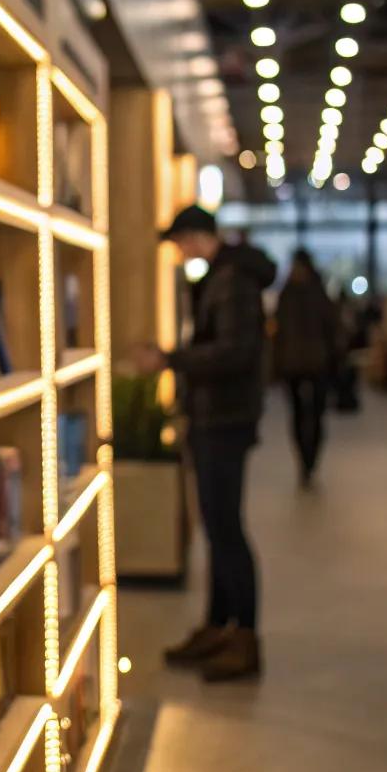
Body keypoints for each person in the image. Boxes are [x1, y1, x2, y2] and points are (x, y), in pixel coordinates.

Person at [135, 205, 275, 682]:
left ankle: (245, 636)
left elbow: (235, 353)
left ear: (196, 237)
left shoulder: (231, 281)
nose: (178, 251)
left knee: (226, 528)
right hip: (216, 418)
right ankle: (220, 626)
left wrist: (172, 359)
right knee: (216, 528)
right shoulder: (222, 277)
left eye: (179, 242)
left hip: (225, 421)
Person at [273, 248, 337, 484]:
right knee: (304, 415)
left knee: (311, 415)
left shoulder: (301, 293)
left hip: (310, 364)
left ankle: (309, 461)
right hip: (302, 365)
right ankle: (306, 461)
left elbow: (331, 329)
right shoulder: (301, 293)